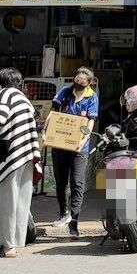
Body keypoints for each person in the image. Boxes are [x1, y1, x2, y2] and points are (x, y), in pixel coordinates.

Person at [0, 67, 42, 259]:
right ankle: (12, 242)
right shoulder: (24, 99)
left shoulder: (5, 93)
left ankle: (7, 246)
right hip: (27, 154)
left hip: (11, 155)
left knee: (6, 201)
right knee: (20, 201)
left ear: (0, 84)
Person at [49, 67, 98, 237]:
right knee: (61, 182)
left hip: (79, 148)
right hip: (59, 145)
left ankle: (74, 221)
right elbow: (53, 112)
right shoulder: (65, 92)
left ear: (89, 83)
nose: (78, 84)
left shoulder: (92, 97)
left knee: (77, 183)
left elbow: (90, 121)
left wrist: (83, 141)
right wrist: (46, 133)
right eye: (77, 81)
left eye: (82, 83)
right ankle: (64, 213)